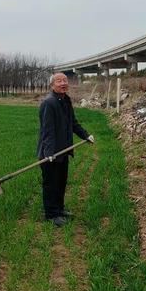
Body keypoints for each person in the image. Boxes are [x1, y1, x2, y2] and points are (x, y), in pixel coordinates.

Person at [37, 73, 94, 226]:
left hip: (63, 151)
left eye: (65, 80)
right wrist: (48, 153)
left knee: (61, 182)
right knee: (51, 184)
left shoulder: (66, 100)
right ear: (52, 85)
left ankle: (60, 209)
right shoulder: (49, 103)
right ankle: (51, 214)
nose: (63, 83)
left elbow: (73, 123)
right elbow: (47, 131)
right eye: (59, 81)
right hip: (50, 153)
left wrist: (85, 136)